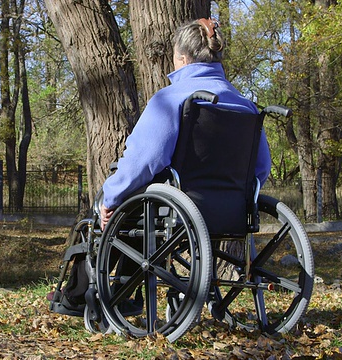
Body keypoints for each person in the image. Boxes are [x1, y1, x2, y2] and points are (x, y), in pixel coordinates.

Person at [100, 18, 271, 230]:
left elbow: (143, 160)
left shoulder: (170, 100)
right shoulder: (246, 106)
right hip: (232, 210)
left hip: (179, 208)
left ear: (182, 59)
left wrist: (111, 196)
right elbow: (261, 168)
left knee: (119, 208)